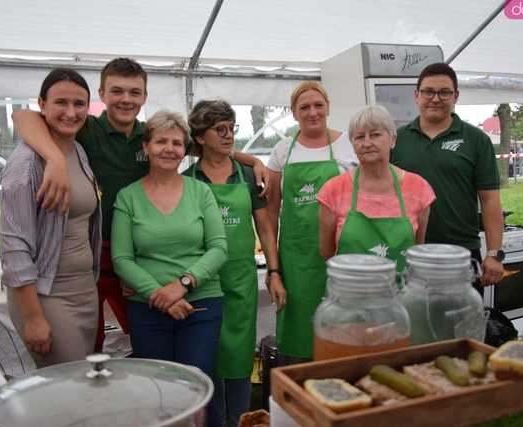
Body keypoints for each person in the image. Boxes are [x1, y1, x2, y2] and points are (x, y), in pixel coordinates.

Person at [12, 58, 269, 352]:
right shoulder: (88, 129)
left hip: (138, 254)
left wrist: (254, 161)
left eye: (134, 92)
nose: (126, 99)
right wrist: (55, 159)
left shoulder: (152, 135)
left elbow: (211, 146)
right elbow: (24, 117)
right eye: (117, 91)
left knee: (146, 330)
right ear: (102, 93)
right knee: (89, 343)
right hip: (92, 252)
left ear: (145, 97)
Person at [111, 111, 227, 411]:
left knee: (197, 387)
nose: (169, 148)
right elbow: (122, 259)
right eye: (161, 141)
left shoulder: (201, 192)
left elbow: (218, 248)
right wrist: (158, 295)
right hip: (147, 309)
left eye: (177, 143)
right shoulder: (128, 197)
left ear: (185, 150)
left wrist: (183, 284)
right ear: (146, 147)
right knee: (156, 390)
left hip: (200, 305)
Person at [184, 100, 285, 427]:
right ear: (200, 136)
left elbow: (266, 228)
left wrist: (273, 270)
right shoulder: (188, 179)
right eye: (220, 130)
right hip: (203, 282)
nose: (229, 136)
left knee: (240, 357)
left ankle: (242, 419)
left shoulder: (247, 174)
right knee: (208, 356)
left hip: (241, 279)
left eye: (232, 128)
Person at [0, 68, 102, 368]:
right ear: (42, 105)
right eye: (61, 103)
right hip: (48, 296)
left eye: (79, 104)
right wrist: (33, 318)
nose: (71, 112)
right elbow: (13, 245)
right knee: (69, 390)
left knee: (79, 386)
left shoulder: (79, 151)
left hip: (84, 290)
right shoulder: (26, 163)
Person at [391, 62, 504, 289]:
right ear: (416, 95)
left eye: (444, 92)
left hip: (460, 251)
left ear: (456, 96)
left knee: (460, 322)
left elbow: (490, 199)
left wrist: (494, 253)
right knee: (412, 322)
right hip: (408, 250)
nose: (435, 98)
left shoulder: (475, 139)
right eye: (428, 91)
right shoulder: (395, 139)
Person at [267, 81, 357, 362]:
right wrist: (274, 271)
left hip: (341, 256)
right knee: (301, 339)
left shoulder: (349, 144)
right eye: (304, 107)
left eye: (318, 105)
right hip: (297, 262)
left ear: (328, 107)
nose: (312, 112)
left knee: (343, 332)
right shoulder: (283, 150)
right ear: (294, 113)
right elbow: (270, 215)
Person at [318, 105, 435, 270]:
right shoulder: (332, 191)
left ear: (393, 140)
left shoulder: (419, 189)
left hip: (403, 293)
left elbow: (417, 247)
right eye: (359, 137)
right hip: (351, 291)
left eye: (375, 135)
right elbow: (327, 252)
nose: (367, 143)